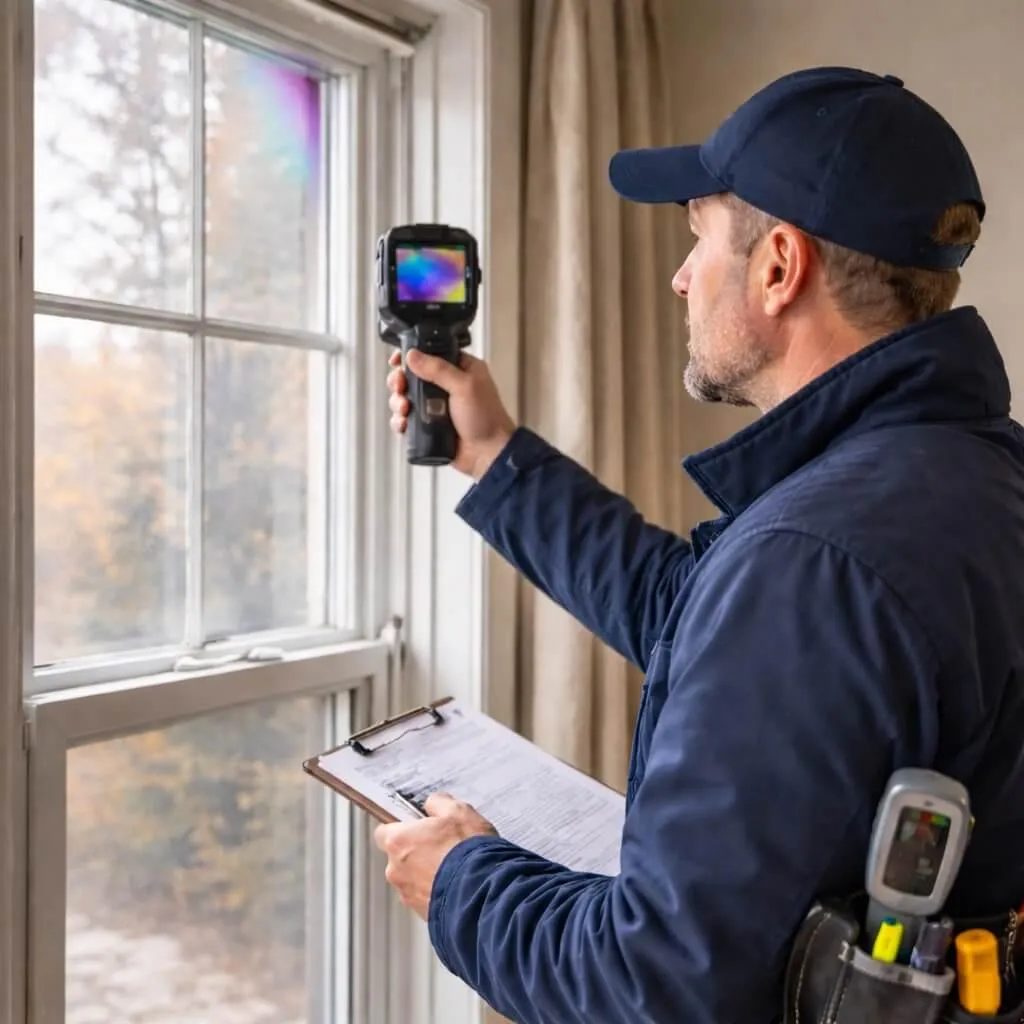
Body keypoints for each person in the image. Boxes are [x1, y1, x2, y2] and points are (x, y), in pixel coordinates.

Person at [373, 66, 1024, 1023]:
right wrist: (497, 457)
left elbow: (656, 983)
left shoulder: (815, 558)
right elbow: (703, 618)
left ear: (778, 268)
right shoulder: (967, 473)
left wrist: (461, 884)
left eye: (698, 238)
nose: (682, 277)